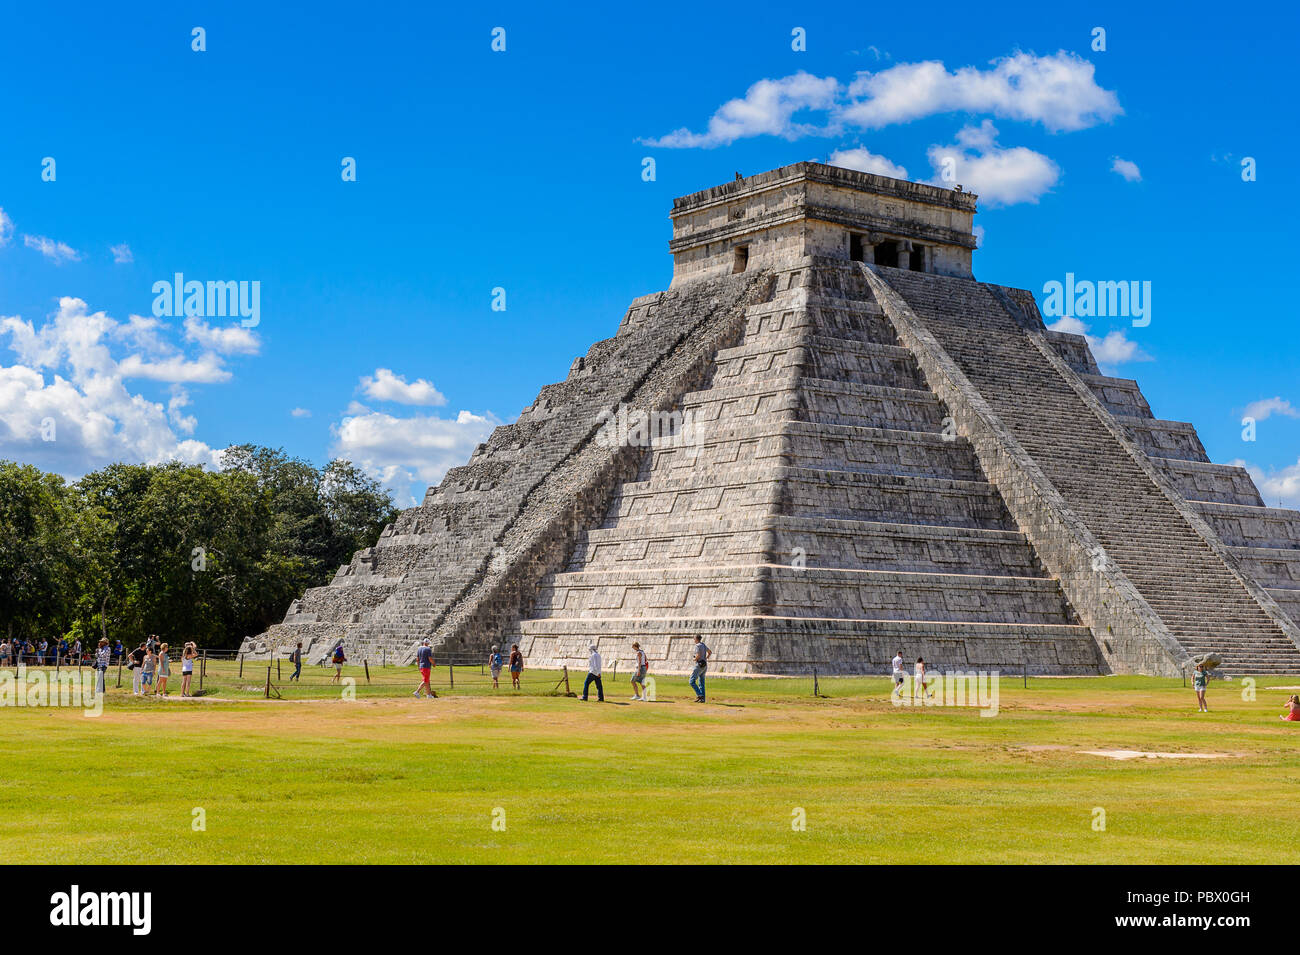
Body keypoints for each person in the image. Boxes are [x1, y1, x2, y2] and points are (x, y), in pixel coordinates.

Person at [689, 635, 711, 703]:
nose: (694, 640)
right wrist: (706, 658)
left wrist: (694, 659)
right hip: (704, 665)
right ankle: (702, 699)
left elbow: (698, 655)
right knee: (701, 682)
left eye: (694, 639)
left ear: (696, 639)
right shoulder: (703, 645)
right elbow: (710, 652)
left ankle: (699, 695)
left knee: (691, 681)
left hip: (699, 665)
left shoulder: (697, 646)